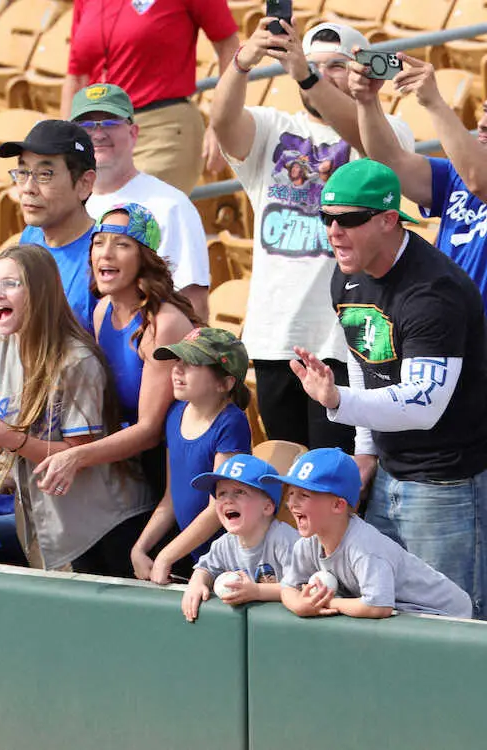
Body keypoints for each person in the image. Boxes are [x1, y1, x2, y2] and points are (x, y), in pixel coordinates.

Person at [291, 158, 487, 619]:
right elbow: (366, 360)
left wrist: (337, 402)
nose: (335, 231)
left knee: (453, 622)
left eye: (350, 219)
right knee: (386, 614)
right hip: (389, 473)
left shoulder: (433, 292)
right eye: (328, 218)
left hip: (446, 482)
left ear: (388, 220)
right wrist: (365, 450)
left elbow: (424, 404)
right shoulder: (347, 273)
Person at [210, 19, 415, 453]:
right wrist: (240, 65)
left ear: (360, 70)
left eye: (335, 66)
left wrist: (306, 72)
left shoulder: (388, 130)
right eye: (314, 65)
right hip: (276, 338)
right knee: (288, 473)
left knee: (338, 479)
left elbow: (368, 140)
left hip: (351, 342)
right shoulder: (271, 126)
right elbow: (223, 121)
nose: (321, 74)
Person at [0, 243, 152, 573]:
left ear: (40, 291)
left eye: (11, 283)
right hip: (47, 522)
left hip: (103, 523)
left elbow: (77, 455)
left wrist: (8, 438)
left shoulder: (76, 361)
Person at [34, 204, 198, 502]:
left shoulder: (162, 324)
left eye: (121, 244)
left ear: (144, 258)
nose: (105, 254)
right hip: (127, 461)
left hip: (170, 470)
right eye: (98, 243)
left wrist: (77, 456)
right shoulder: (102, 311)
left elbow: (150, 430)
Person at [348, 53, 487, 308]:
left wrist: (434, 102)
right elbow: (391, 163)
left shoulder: (472, 174)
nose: (482, 124)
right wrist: (367, 102)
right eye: (485, 111)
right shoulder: (454, 174)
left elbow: (479, 180)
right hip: (451, 334)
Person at [271, 448, 473, 620]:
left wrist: (329, 603)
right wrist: (300, 605)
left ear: (338, 505)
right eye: (290, 494)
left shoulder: (363, 546)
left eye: (304, 495)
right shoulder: (306, 545)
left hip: (443, 613)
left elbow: (377, 606)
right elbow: (288, 588)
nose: (291, 504)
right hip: (405, 616)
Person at [61, 0, 239, 193]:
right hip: (98, 135)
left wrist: (221, 122)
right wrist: (63, 144)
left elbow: (228, 46)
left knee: (131, 214)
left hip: (163, 130)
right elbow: (76, 77)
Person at [72, 83, 210, 320]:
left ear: (134, 133)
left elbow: (193, 305)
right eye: (85, 125)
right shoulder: (67, 204)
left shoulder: (169, 206)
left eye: (110, 122)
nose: (98, 133)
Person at [130, 327, 252, 584]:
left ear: (225, 383)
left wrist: (166, 555)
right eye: (178, 361)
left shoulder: (231, 423)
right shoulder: (175, 413)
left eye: (192, 363)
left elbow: (218, 507)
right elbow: (171, 498)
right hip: (194, 556)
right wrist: (140, 548)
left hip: (229, 563)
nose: (177, 369)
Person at [0, 119, 98, 332]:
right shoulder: (31, 236)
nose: (28, 188)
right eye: (23, 173)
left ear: (84, 184)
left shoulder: (101, 260)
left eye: (44, 175)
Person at [181, 455, 298, 622]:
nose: (228, 500)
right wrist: (196, 583)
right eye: (221, 494)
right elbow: (204, 568)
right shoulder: (224, 544)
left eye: (239, 492)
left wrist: (257, 592)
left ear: (267, 507)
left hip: (288, 626)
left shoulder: (284, 539)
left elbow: (300, 587)